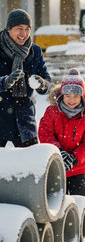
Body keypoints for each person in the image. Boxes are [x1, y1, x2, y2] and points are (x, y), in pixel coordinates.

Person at [38, 68, 85, 200]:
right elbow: (45, 133)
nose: (71, 100)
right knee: (57, 197)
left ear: (82, 96)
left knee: (81, 195)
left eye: (76, 96)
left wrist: (75, 158)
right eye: (68, 96)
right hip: (56, 164)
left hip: (78, 167)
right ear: (61, 95)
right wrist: (59, 152)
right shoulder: (52, 112)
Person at [0, 9, 51, 147]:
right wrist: (4, 82)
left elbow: (47, 81)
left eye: (27, 29)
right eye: (19, 29)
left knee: (29, 166)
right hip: (1, 118)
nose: (24, 34)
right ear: (9, 29)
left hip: (25, 122)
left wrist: (42, 83)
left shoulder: (35, 51)